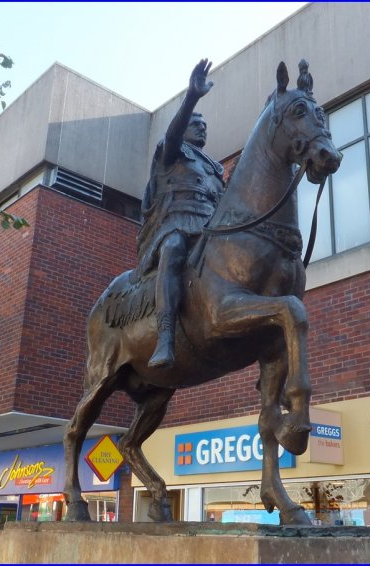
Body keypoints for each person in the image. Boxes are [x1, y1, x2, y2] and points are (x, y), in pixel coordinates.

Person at [135, 58, 225, 368]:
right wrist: (192, 97)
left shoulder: (214, 168)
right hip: (175, 223)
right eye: (196, 124)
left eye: (205, 125)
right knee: (173, 249)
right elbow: (172, 135)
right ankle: (165, 338)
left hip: (209, 226)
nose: (202, 128)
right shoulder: (171, 150)